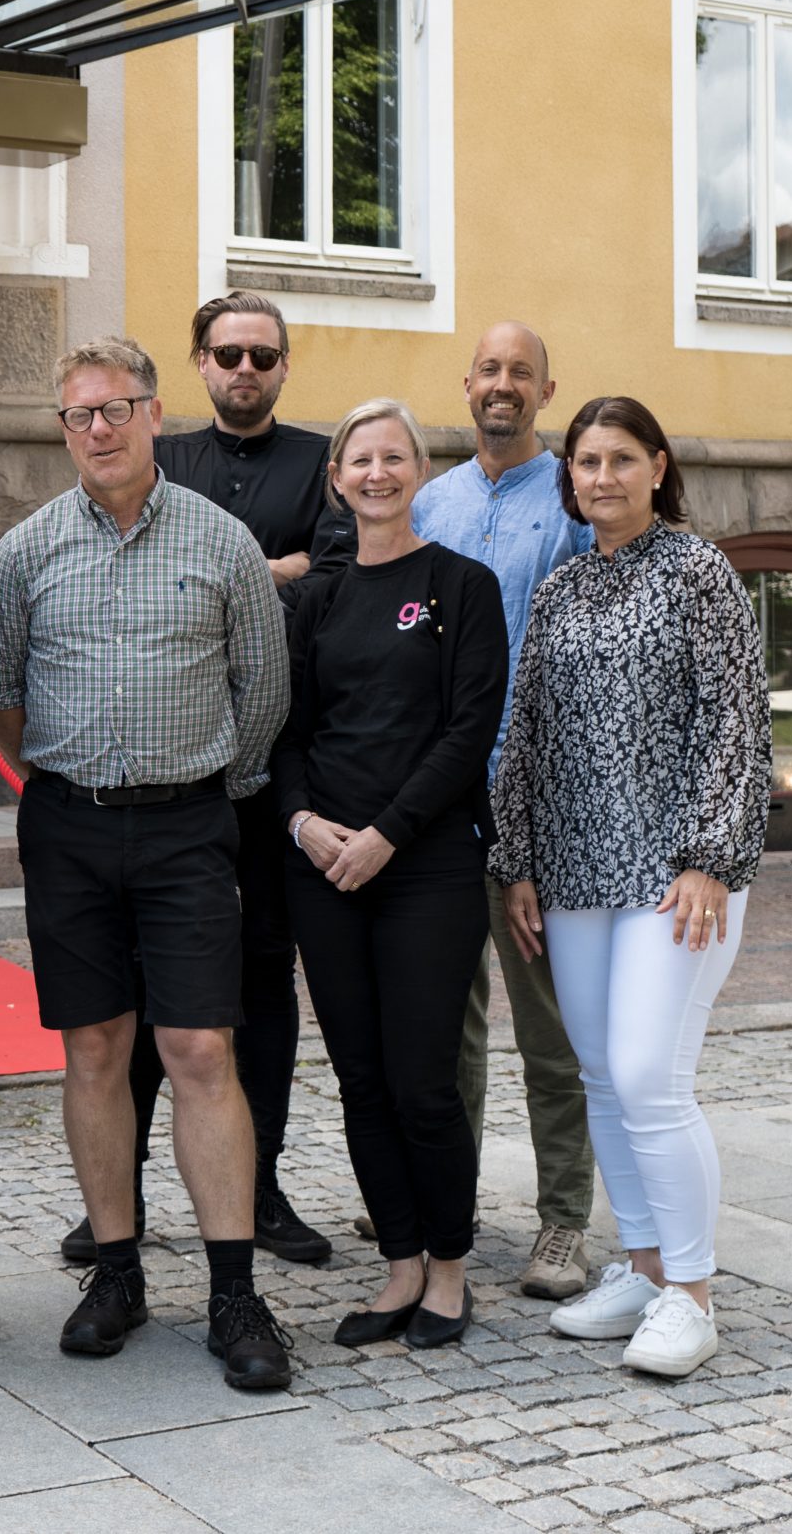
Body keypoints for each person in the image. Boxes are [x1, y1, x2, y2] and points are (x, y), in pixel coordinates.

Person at [0, 335, 295, 1390]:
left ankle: (234, 1290)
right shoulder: (21, 553)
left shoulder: (223, 543)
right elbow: (1, 700)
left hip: (188, 825)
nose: (98, 429)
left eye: (116, 408)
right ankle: (114, 1272)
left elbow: (263, 694)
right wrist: (69, 782)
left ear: (155, 413)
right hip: (66, 827)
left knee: (200, 1047)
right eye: (78, 415)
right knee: (94, 1047)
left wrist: (193, 784)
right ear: (61, 428)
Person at [55, 290, 346, 1269]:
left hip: (261, 772)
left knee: (257, 987)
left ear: (283, 365)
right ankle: (117, 1200)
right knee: (127, 996)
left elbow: (338, 575)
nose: (244, 370)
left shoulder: (318, 464)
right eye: (227, 354)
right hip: (155, 772)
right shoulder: (157, 456)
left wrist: (232, 572)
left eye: (263, 355)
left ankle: (258, 1191)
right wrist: (271, 566)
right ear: (197, 364)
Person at [490, 395, 770, 1379]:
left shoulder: (698, 573)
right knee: (601, 1077)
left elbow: (735, 724)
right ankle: (645, 1269)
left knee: (650, 1074)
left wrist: (707, 855)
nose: (599, 476)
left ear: (656, 466)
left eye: (618, 458)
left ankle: (690, 1296)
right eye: (583, 460)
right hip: (570, 871)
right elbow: (522, 734)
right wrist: (515, 862)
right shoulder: (562, 587)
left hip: (674, 875)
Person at [274, 400, 506, 1351]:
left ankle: (449, 1268)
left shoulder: (463, 585)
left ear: (420, 469)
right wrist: (301, 823)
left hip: (428, 867)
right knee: (361, 1078)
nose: (376, 472)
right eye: (359, 459)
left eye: (394, 456)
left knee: (422, 1080)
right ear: (337, 479)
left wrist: (387, 834)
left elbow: (467, 732)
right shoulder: (316, 598)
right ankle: (400, 1261)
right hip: (325, 867)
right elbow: (283, 732)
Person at [401, 320, 602, 1304]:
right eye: (488, 369)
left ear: (544, 387)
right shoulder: (429, 499)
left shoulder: (569, 498)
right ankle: (448, 1199)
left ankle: (563, 1220)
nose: (502, 385)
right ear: (466, 381)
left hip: (536, 804)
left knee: (547, 1028)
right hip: (441, 800)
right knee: (445, 1024)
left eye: (520, 371)